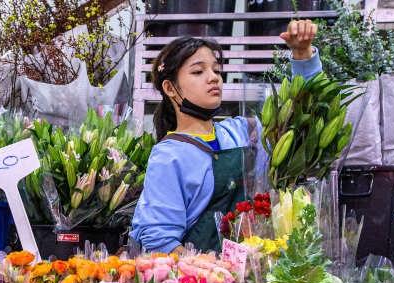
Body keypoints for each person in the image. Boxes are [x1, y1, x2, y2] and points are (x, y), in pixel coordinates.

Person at [130, 21, 322, 254]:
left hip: (259, 273)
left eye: (217, 71)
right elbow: (160, 242)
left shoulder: (245, 132)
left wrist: (303, 57)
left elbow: (305, 127)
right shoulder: (169, 156)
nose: (213, 78)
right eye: (198, 71)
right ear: (170, 88)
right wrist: (212, 274)